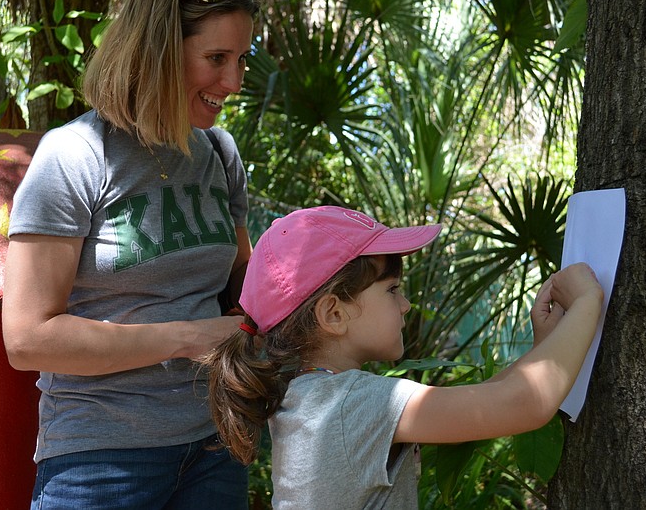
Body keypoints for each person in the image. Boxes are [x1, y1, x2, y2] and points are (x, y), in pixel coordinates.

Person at [2, 0, 258, 509]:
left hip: (214, 447)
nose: (233, 82)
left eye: (241, 59)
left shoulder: (219, 152)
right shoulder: (74, 156)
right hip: (102, 459)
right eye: (216, 57)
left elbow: (243, 286)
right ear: (161, 48)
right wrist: (190, 337)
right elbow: (26, 340)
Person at [202, 205, 604, 509]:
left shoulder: (313, 397)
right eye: (392, 290)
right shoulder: (350, 405)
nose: (407, 305)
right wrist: (588, 302)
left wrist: (541, 350)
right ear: (334, 314)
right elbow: (523, 403)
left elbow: (490, 400)